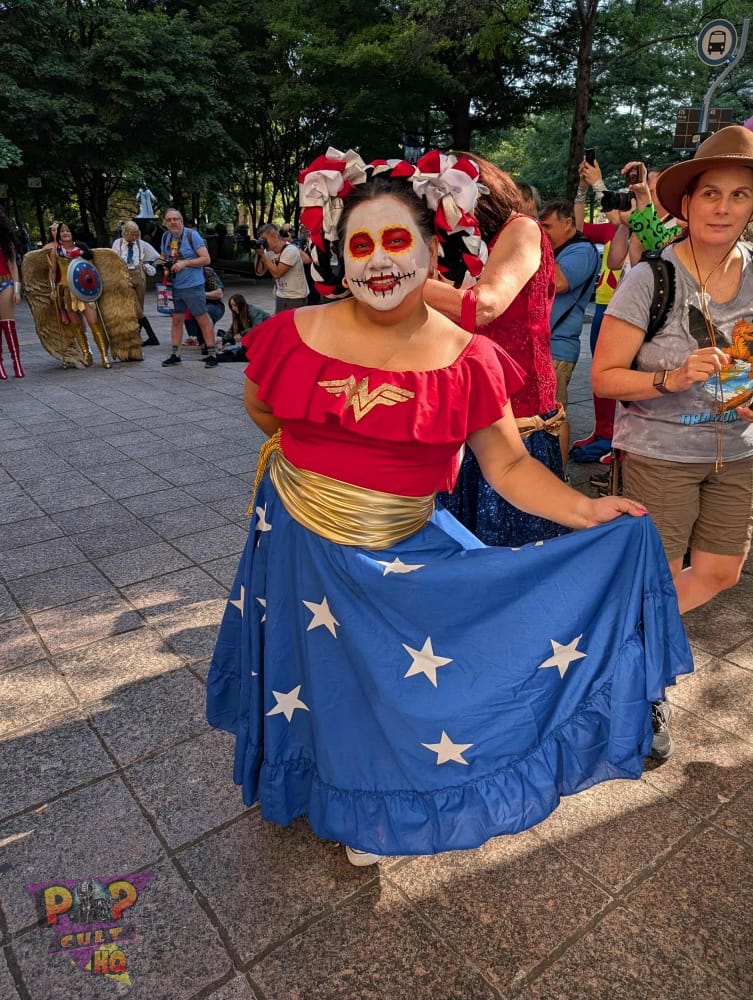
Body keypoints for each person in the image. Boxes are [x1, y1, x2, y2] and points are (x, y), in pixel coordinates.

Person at [206, 148, 691, 867]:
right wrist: (327, 475)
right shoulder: (285, 337)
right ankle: (324, 786)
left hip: (402, 546)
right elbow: (268, 415)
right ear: (337, 255)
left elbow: (506, 464)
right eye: (359, 244)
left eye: (396, 240)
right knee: (321, 681)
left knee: (392, 688)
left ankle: (384, 807)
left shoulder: (468, 358)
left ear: (433, 250)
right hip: (298, 545)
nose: (377, 261)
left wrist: (586, 515)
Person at [592, 125, 753, 758]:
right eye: (710, 193)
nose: (723, 207)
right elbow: (604, 376)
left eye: (739, 195)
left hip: (738, 451)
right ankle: (643, 681)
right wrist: (671, 375)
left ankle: (626, 640)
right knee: (655, 578)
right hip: (659, 453)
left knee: (718, 571)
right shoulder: (649, 279)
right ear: (685, 205)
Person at [423, 151, 567, 546]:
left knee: (515, 558)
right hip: (457, 421)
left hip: (518, 422)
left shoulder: (521, 228)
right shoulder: (454, 248)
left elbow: (483, 306)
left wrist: (402, 277)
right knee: (455, 561)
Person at [569, 157, 632, 464]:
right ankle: (603, 431)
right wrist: (582, 191)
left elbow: (627, 223)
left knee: (625, 377)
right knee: (600, 373)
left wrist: (598, 185)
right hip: (606, 307)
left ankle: (619, 440)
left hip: (629, 311)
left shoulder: (637, 226)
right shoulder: (613, 229)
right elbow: (578, 226)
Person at [539, 198, 600, 468]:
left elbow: (560, 282)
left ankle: (559, 476)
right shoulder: (561, 248)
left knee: (555, 417)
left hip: (558, 349)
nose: (543, 232)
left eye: (547, 226)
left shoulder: (582, 250)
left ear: (567, 223)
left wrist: (534, 247)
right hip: (544, 346)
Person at [159, 209, 219, 369]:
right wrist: (163, 266)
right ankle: (175, 354)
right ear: (165, 222)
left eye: (176, 219)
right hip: (174, 286)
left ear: (182, 221)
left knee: (201, 318)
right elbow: (164, 257)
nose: (173, 222)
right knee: (177, 320)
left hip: (193, 285)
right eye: (169, 220)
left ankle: (212, 354)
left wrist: (185, 263)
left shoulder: (192, 236)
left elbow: (206, 259)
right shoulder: (166, 237)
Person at [48, 223, 112, 369]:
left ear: (72, 233)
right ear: (58, 235)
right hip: (66, 291)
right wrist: (52, 289)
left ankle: (104, 355)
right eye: (62, 231)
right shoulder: (56, 251)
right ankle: (86, 353)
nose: (65, 233)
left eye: (68, 230)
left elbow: (92, 269)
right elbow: (52, 271)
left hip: (84, 290)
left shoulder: (82, 249)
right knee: (75, 324)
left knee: (93, 321)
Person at [112, 221, 161, 346]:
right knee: (136, 308)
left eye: (136, 234)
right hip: (124, 276)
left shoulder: (141, 244)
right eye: (131, 234)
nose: (134, 237)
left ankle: (137, 337)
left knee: (140, 308)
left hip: (139, 276)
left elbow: (157, 257)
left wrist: (148, 265)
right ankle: (152, 336)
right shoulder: (117, 244)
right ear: (125, 233)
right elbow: (112, 260)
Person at [254, 223, 309, 312]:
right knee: (281, 325)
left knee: (291, 325)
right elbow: (259, 272)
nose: (263, 242)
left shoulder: (290, 250)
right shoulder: (268, 251)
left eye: (264, 240)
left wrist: (263, 255)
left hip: (296, 298)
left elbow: (277, 273)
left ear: (274, 237)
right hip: (281, 295)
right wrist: (258, 253)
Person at [0, 208, 24, 379]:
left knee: (8, 324)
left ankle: (17, 363)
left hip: (6, 282)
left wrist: (17, 290)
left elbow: (13, 265)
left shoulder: (5, 240)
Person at [215, 294, 271, 362]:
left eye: (235, 305)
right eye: (231, 306)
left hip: (268, 334)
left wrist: (242, 334)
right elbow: (232, 329)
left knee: (244, 354)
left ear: (241, 304)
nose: (233, 308)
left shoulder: (254, 312)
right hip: (257, 336)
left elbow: (257, 329)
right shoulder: (239, 313)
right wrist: (222, 341)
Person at [185, 265, 225, 355]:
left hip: (214, 305)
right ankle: (203, 340)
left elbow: (219, 294)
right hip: (196, 306)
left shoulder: (207, 273)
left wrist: (201, 294)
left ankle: (210, 342)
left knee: (204, 312)